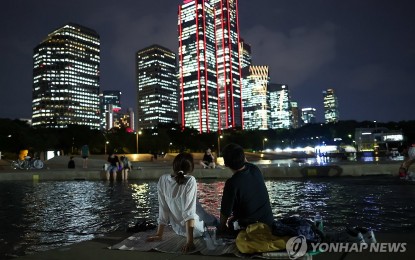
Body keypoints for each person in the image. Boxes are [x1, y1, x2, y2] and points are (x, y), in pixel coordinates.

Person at [147, 152, 218, 253]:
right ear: (191, 168)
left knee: (209, 218)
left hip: (178, 230)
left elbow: (163, 209)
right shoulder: (190, 181)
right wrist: (190, 242)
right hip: (196, 230)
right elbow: (189, 213)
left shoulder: (163, 180)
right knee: (216, 222)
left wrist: (159, 234)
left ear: (174, 166)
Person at [218, 143, 274, 237]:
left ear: (226, 164)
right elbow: (245, 162)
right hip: (269, 224)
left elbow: (225, 212)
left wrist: (222, 227)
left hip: (252, 229)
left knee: (231, 223)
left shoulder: (232, 183)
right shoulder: (255, 169)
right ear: (244, 157)